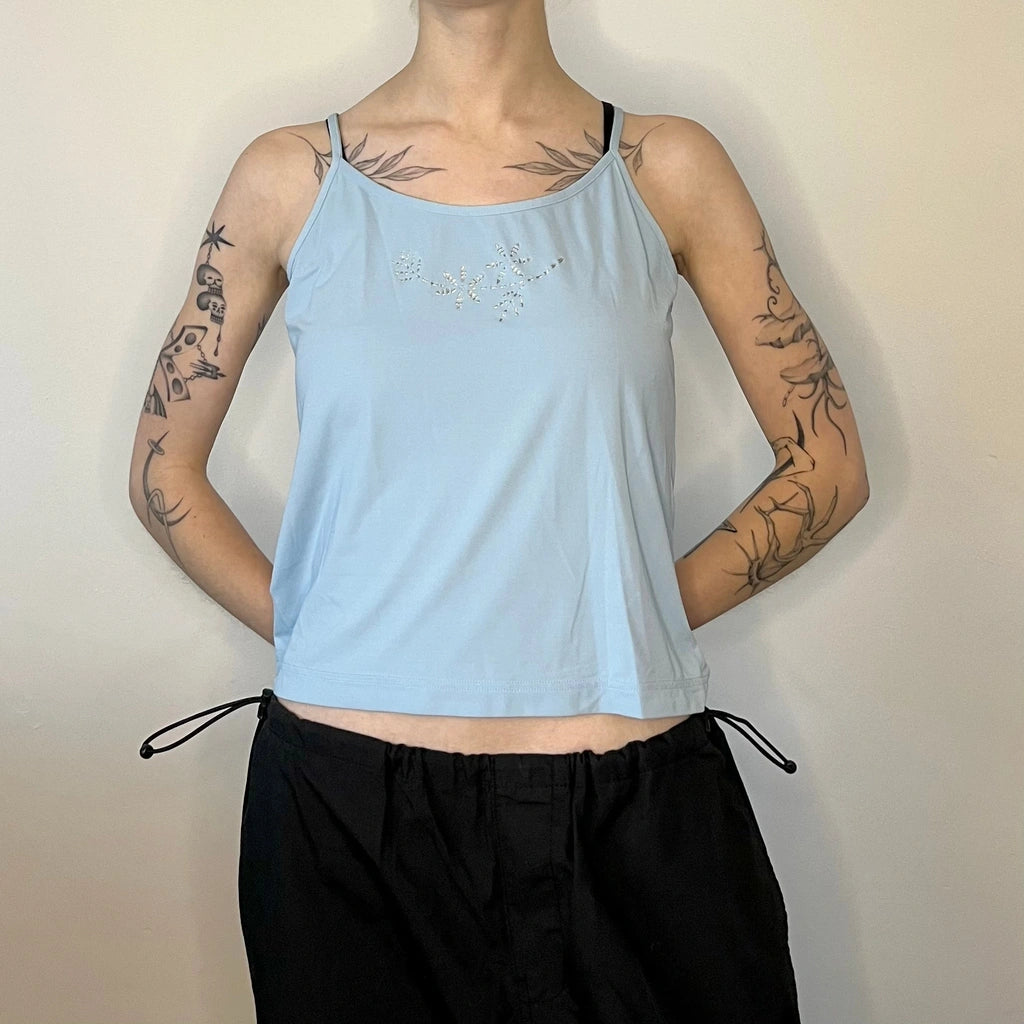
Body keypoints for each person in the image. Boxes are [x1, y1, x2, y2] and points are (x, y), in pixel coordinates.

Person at [133, 0, 870, 1020]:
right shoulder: (289, 177)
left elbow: (828, 464)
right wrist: (321, 631)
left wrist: (641, 610)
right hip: (347, 825)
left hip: (633, 815)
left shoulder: (665, 166)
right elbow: (163, 473)